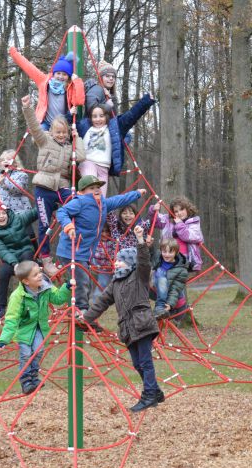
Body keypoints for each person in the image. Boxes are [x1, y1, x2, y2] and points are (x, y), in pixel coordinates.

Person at [80, 226, 164, 412]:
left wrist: (140, 239)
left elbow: (144, 261)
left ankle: (149, 395)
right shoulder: (115, 283)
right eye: (116, 261)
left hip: (142, 323)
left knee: (145, 361)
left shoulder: (139, 275)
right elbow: (101, 302)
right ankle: (156, 391)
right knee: (136, 363)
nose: (116, 264)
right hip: (127, 328)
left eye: (120, 261)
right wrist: (85, 319)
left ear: (130, 263)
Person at [56, 175, 146, 311]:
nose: (96, 190)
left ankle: (81, 311)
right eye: (91, 188)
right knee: (81, 280)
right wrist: (68, 226)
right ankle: (81, 311)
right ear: (82, 191)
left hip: (84, 252)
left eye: (98, 187)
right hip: (71, 250)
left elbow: (119, 200)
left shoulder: (102, 204)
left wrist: (136, 194)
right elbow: (62, 212)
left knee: (84, 280)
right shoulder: (79, 202)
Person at [21, 94, 85, 277]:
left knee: (77, 207)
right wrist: (27, 108)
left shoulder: (69, 145)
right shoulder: (45, 140)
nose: (61, 135)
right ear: (52, 131)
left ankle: (73, 246)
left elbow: (80, 157)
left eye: (64, 132)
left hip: (63, 186)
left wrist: (76, 137)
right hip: (44, 186)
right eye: (58, 132)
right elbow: (34, 126)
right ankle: (46, 258)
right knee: (44, 223)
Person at [0, 260, 72, 394]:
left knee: (38, 351)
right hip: (23, 330)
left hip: (40, 327)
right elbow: (11, 319)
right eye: (35, 275)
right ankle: (26, 381)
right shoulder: (18, 297)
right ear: (26, 281)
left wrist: (67, 287)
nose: (40, 276)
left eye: (39, 272)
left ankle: (34, 378)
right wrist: (4, 339)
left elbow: (58, 299)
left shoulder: (46, 287)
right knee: (26, 354)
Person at [75, 94, 157, 195]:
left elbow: (131, 115)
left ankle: (98, 210)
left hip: (104, 167)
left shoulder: (114, 127)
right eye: (94, 116)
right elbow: (69, 124)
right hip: (88, 163)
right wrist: (71, 114)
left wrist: (146, 101)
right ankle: (84, 205)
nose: (98, 119)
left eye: (101, 116)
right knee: (90, 188)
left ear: (107, 116)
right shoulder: (84, 126)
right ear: (90, 118)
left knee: (100, 198)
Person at [0, 200, 39, 320]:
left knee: (27, 265)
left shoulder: (17, 219)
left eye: (3, 213)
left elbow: (34, 213)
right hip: (11, 258)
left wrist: (45, 204)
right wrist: (14, 263)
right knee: (3, 272)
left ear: (7, 213)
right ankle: (1, 307)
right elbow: (2, 250)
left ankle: (29, 300)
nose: (1, 216)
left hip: (25, 250)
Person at [9, 48, 84, 129]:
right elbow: (29, 67)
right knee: (40, 133)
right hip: (46, 123)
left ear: (68, 76)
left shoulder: (69, 88)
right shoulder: (44, 82)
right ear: (54, 74)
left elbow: (79, 101)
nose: (60, 77)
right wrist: (14, 54)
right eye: (58, 73)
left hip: (62, 124)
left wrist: (77, 81)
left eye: (64, 74)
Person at [151, 196, 204, 272]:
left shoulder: (193, 222)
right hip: (168, 255)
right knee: (159, 273)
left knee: (174, 277)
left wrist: (179, 224)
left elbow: (189, 237)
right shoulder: (169, 220)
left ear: (187, 209)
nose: (179, 213)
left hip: (185, 259)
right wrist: (153, 210)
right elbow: (155, 221)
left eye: (182, 209)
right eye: (176, 211)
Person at [150, 237, 189, 319]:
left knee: (161, 273)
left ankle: (159, 307)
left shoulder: (181, 270)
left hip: (176, 304)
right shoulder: (158, 258)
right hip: (158, 293)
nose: (167, 254)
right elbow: (150, 253)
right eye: (164, 251)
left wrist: (170, 304)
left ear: (177, 252)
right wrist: (149, 245)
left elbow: (175, 289)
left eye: (170, 252)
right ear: (161, 251)